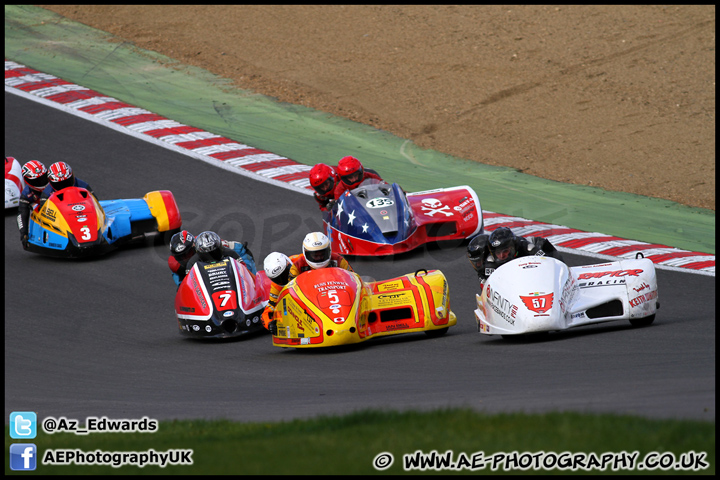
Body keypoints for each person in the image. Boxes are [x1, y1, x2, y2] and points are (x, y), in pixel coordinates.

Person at [263, 232, 354, 334]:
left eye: (322, 254)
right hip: (313, 302)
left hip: (338, 295)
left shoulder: (338, 259)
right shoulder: (296, 268)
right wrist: (271, 324)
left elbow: (353, 280)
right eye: (314, 255)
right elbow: (280, 303)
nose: (319, 258)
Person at [467, 227, 563, 293]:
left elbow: (548, 263)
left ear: (512, 247)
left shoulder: (527, 247)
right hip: (514, 286)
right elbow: (489, 290)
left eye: (505, 251)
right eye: (497, 253)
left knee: (553, 257)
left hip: (533, 274)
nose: (502, 256)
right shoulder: (490, 262)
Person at [169, 230, 256, 286]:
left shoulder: (208, 245)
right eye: (181, 256)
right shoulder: (175, 265)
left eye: (189, 253)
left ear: (194, 246)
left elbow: (225, 253)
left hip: (240, 253)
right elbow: (185, 288)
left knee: (249, 284)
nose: (186, 258)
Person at [16, 160, 48, 250]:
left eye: (43, 178)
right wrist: (24, 234)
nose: (42, 182)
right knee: (33, 208)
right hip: (47, 216)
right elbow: (21, 214)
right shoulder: (27, 194)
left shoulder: (54, 183)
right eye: (38, 180)